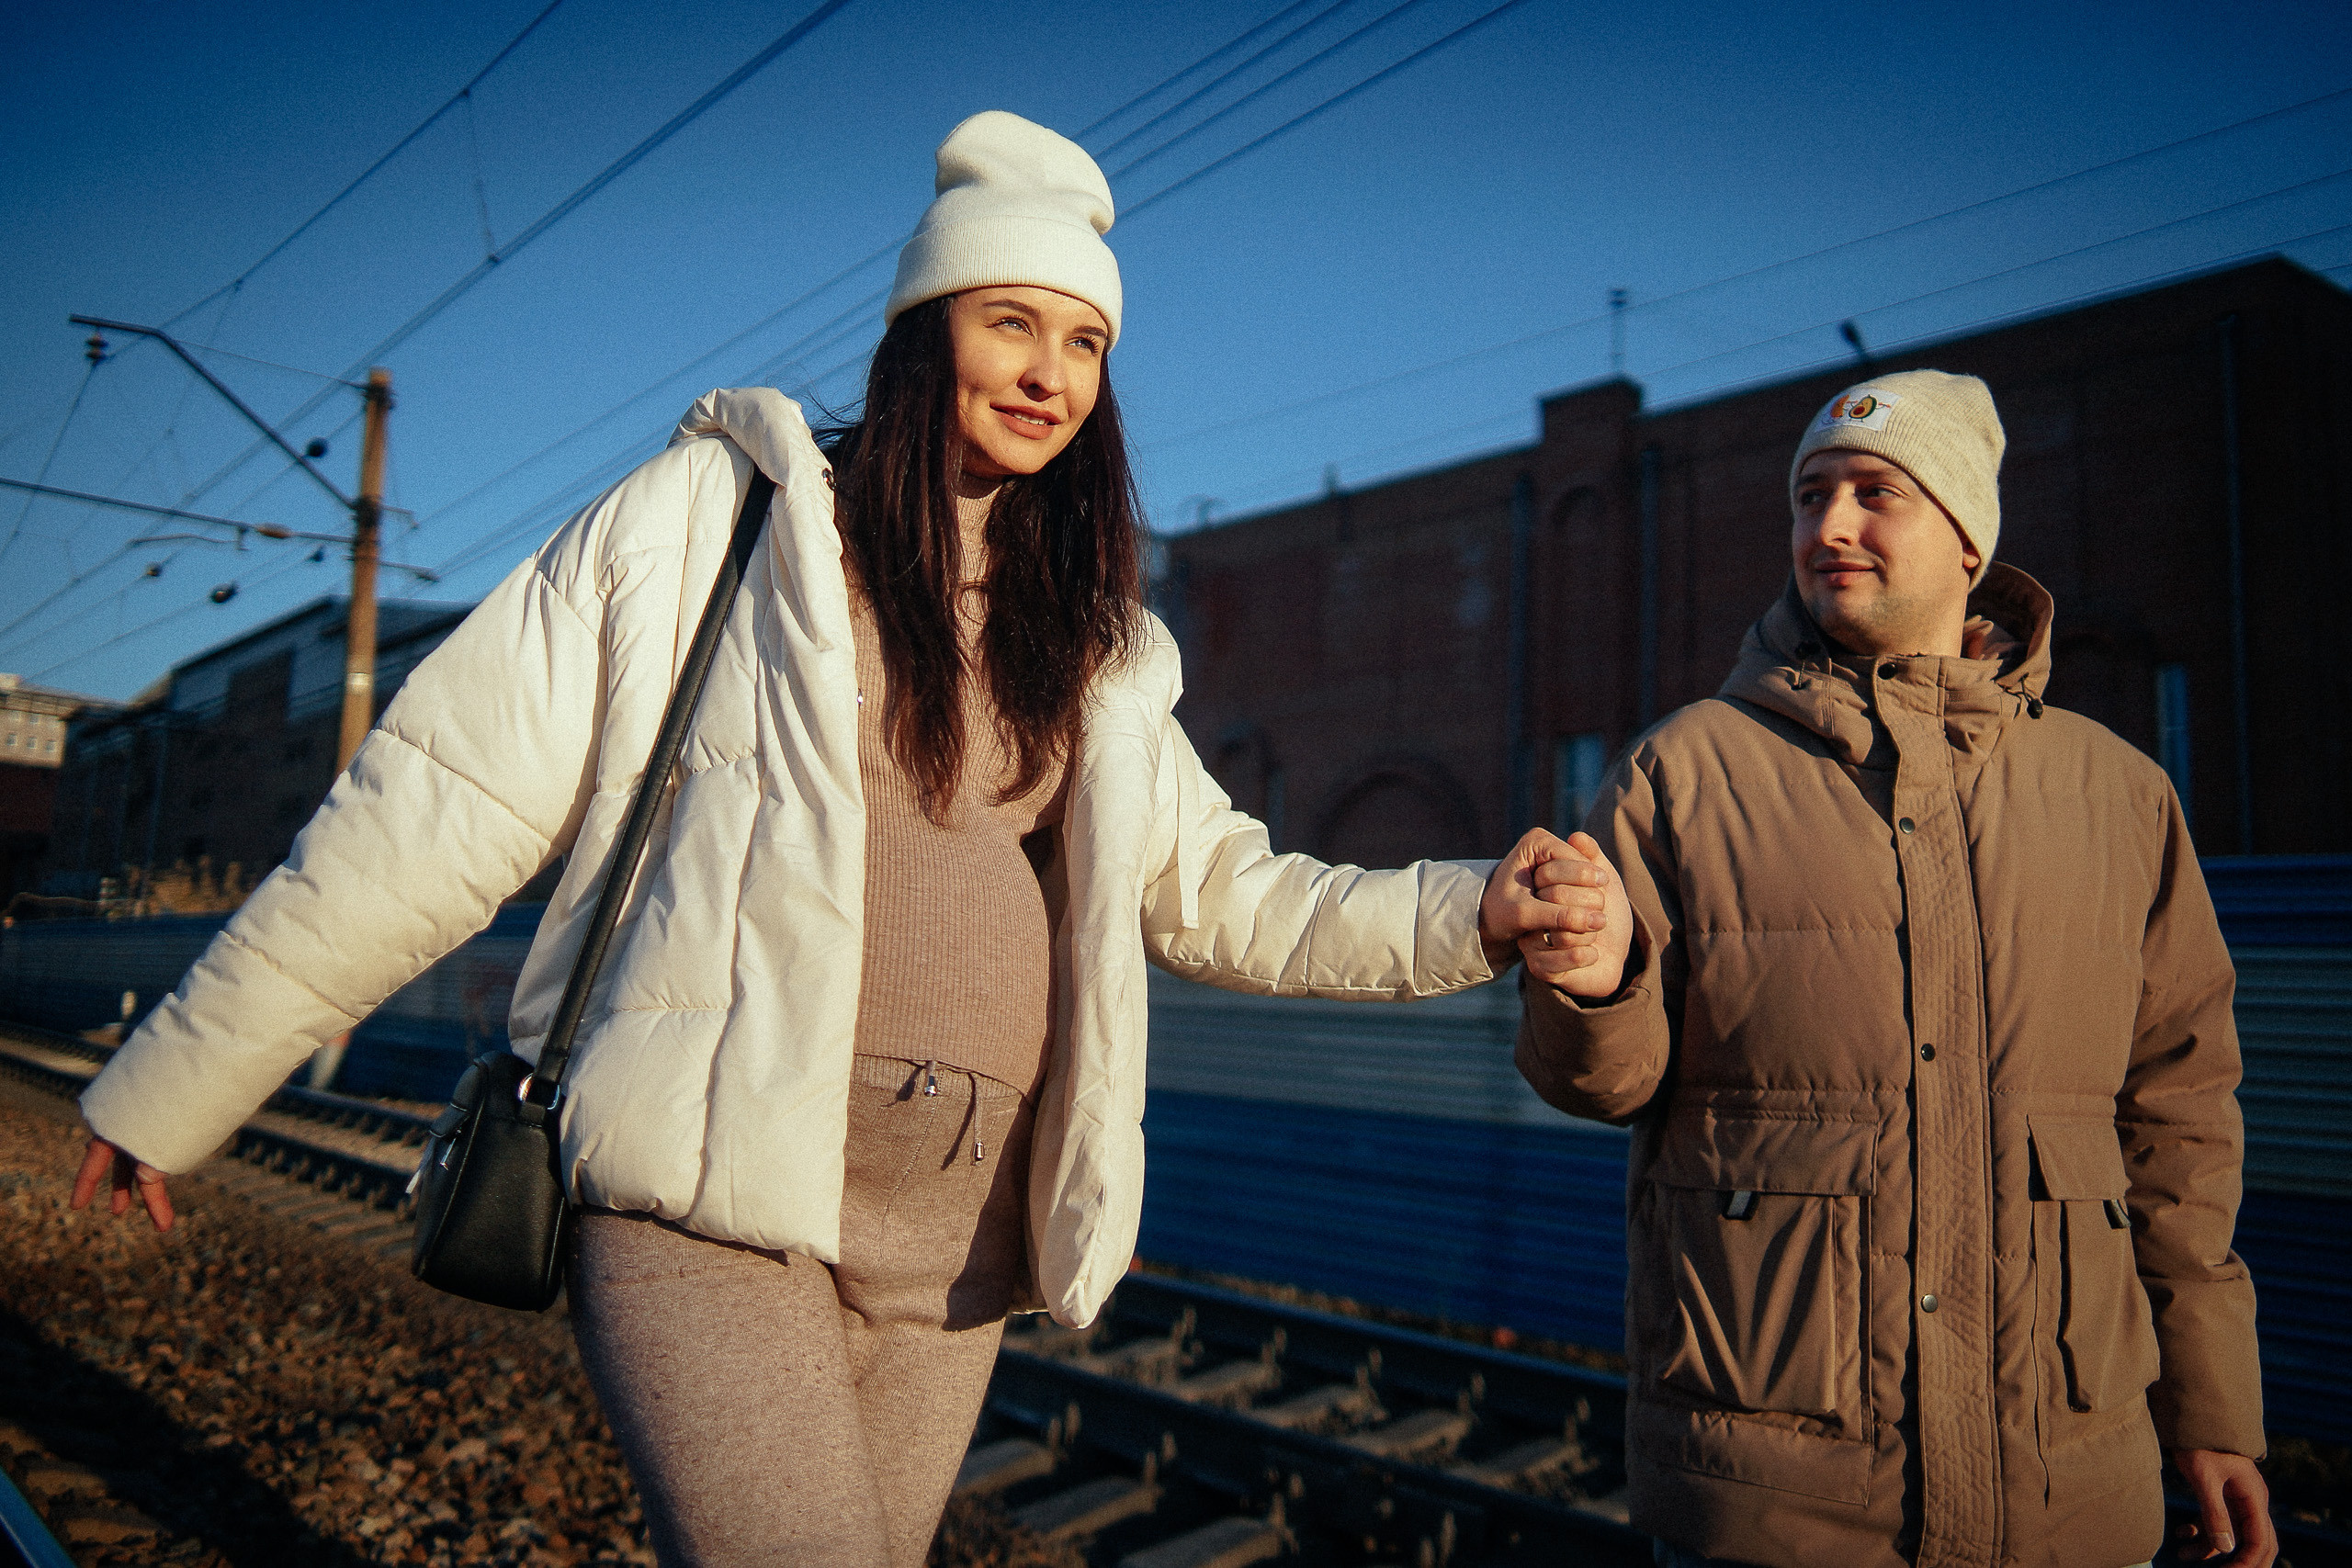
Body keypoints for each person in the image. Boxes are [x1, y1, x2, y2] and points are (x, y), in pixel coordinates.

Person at [66, 111, 1602, 1567]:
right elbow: (440, 800)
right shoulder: (715, 524)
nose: (1050, 374)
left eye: (1086, 343)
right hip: (714, 1203)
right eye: (1013, 322)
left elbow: (1228, 893)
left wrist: (1476, 906)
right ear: (923, 323)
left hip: (959, 1256)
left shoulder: (1098, 649)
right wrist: (181, 1076)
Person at [1512, 369, 2274, 1568]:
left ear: (1970, 536)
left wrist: (2214, 1408)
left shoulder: (2118, 795)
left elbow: (2179, 1120)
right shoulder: (1683, 773)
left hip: (2068, 1482)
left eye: (1876, 493)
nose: (1831, 527)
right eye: (1810, 497)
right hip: (1773, 1490)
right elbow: (1599, 1082)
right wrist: (1594, 988)